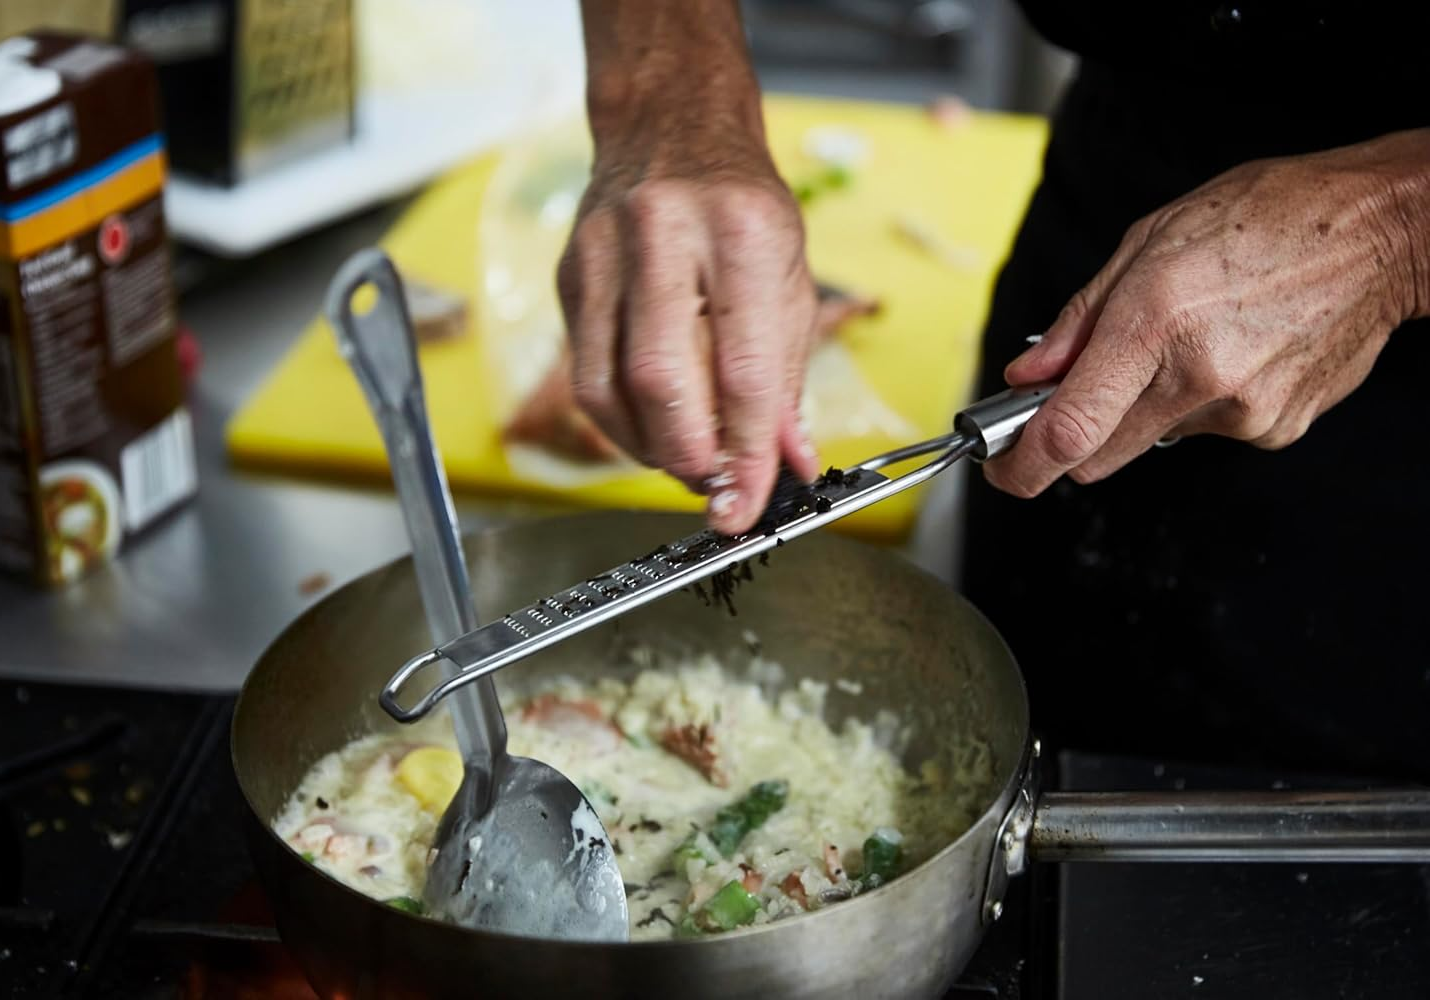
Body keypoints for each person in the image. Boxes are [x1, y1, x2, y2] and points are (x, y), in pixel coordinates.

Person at [556, 1, 1430, 781]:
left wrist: (1397, 233)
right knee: (1013, 744)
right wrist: (668, 95)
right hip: (1125, 177)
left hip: (1396, 443)